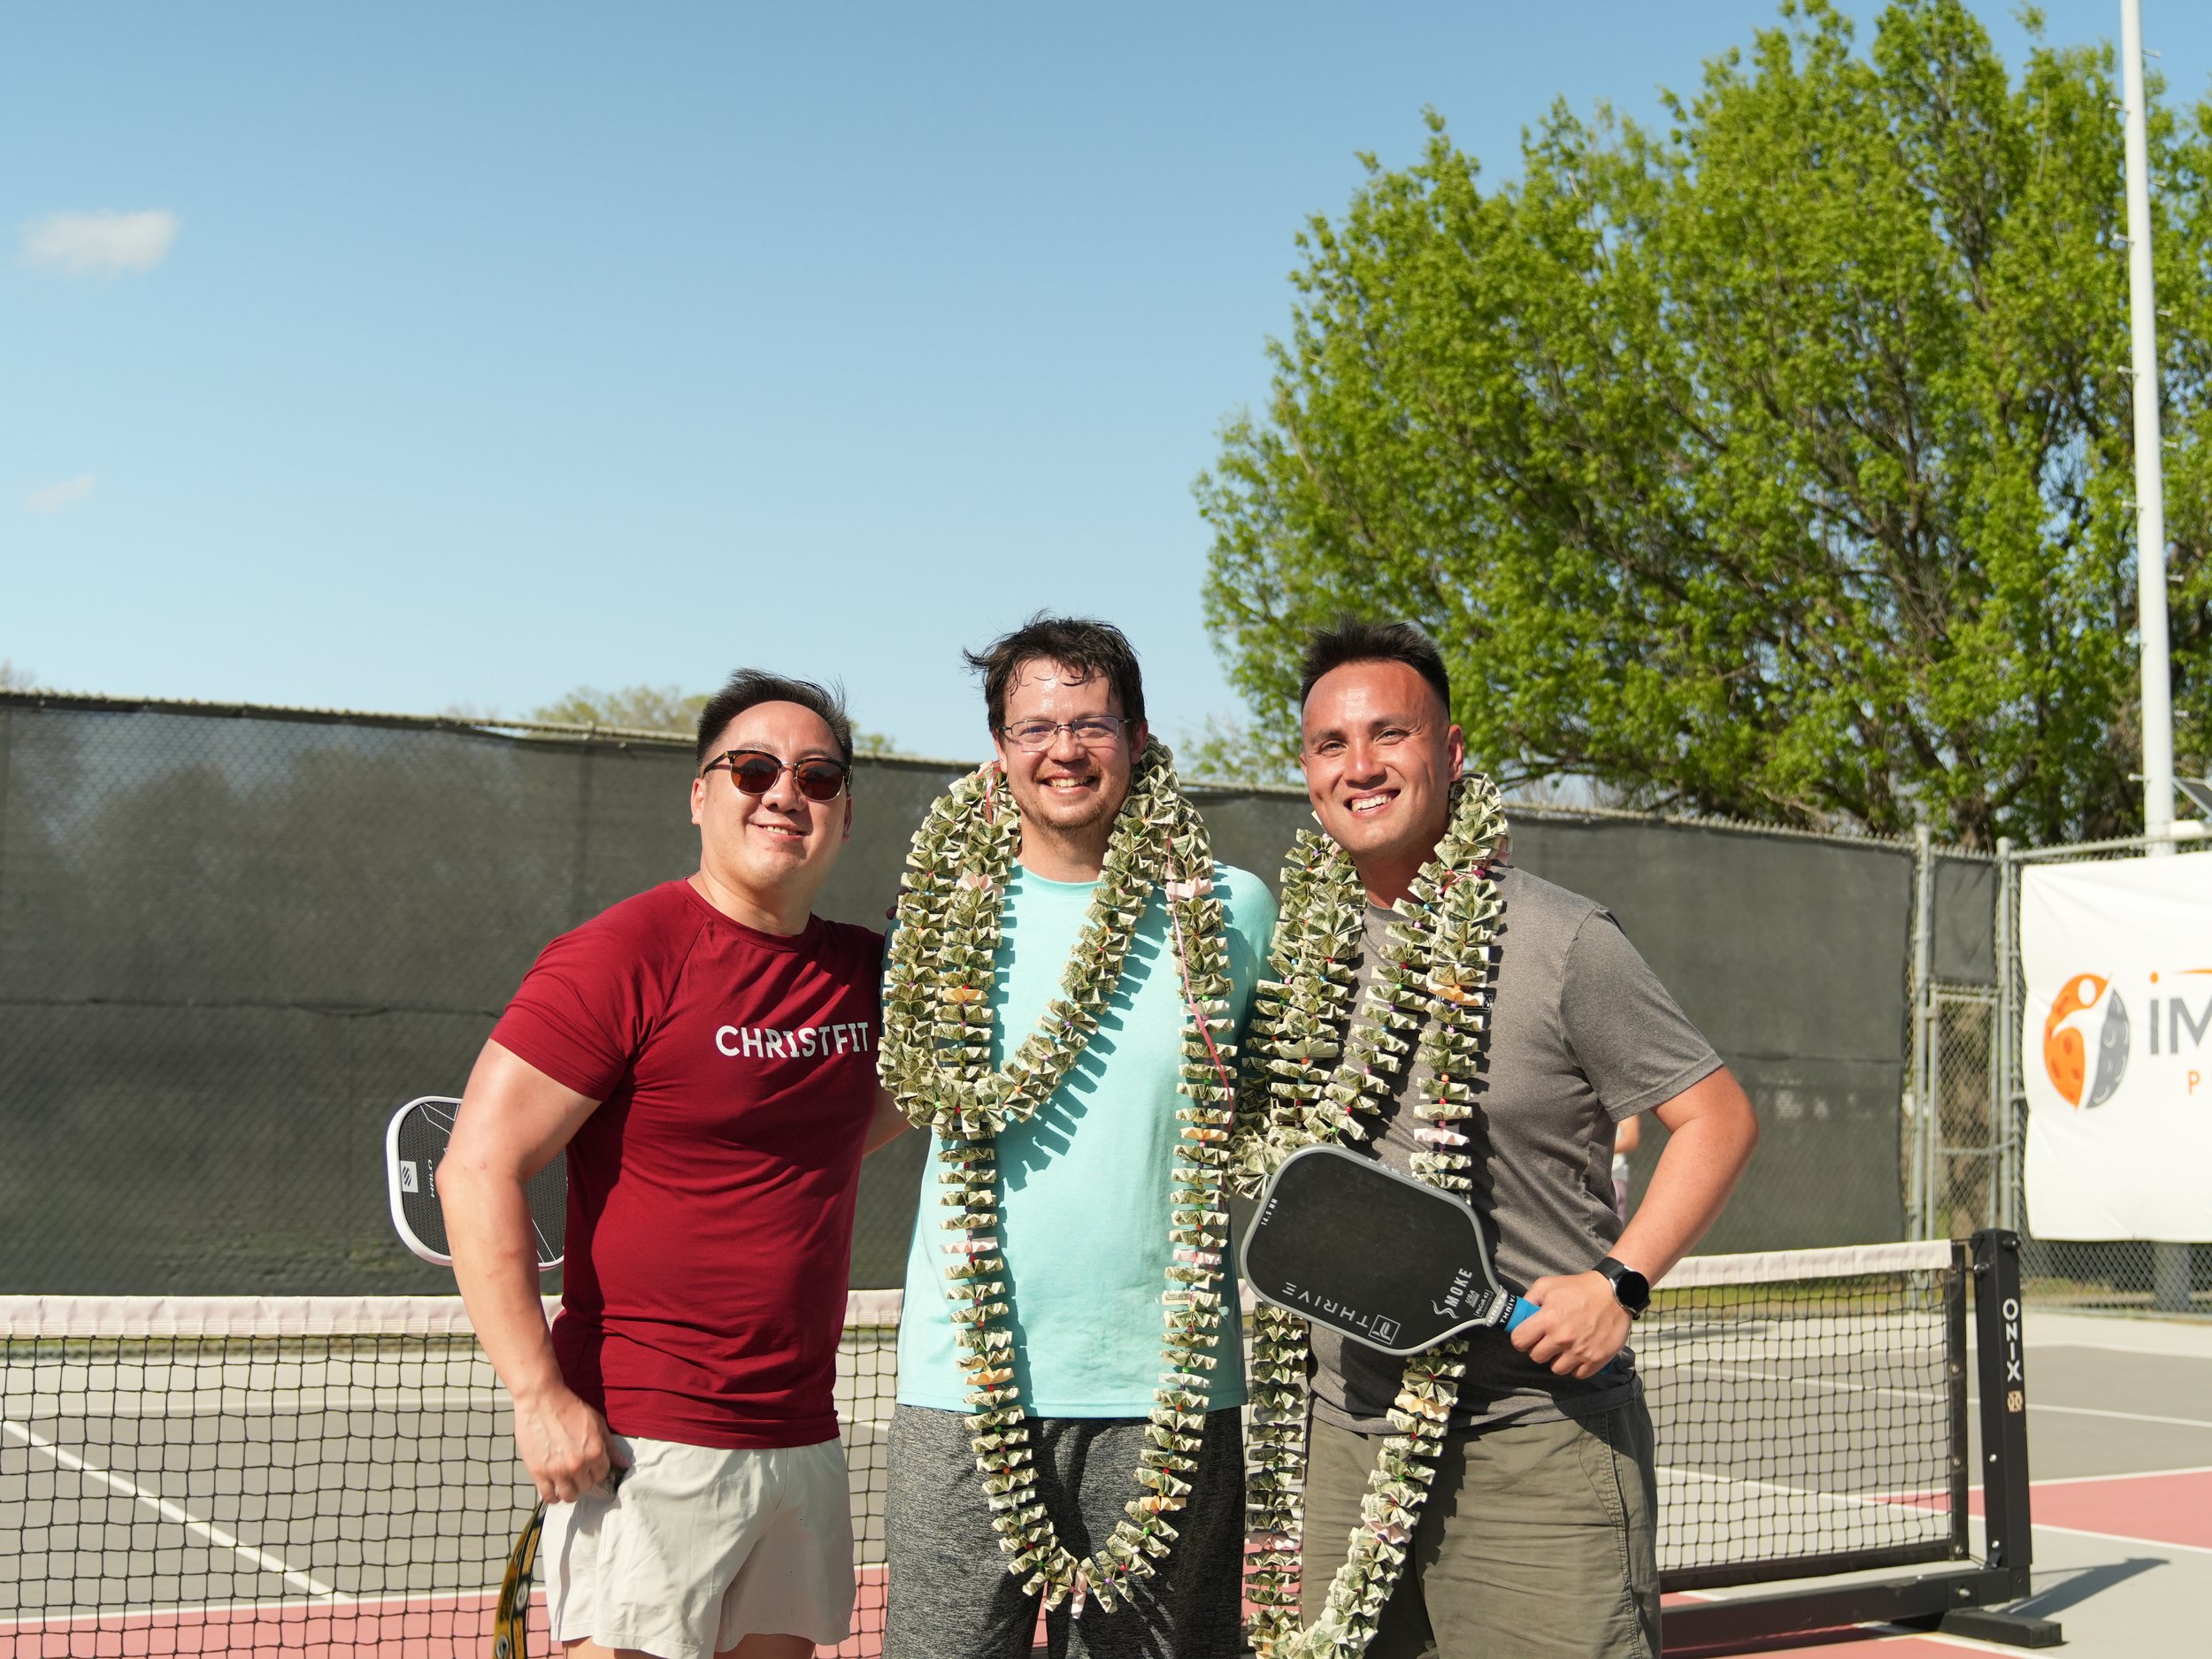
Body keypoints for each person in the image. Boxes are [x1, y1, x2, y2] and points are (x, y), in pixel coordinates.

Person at [1240, 618, 1760, 1659]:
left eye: (1390, 734)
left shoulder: (1564, 939)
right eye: (1329, 745)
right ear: (1306, 770)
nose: (1360, 766)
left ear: (1451, 751)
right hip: (1338, 1442)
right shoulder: (1286, 955)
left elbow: (1718, 1116)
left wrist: (1621, 1283)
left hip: (1537, 1438)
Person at [442, 670, 909, 1659]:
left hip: (801, 1442)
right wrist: (538, 1397)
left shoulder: (870, 976)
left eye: (818, 778)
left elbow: (843, 1131)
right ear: (701, 794)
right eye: (752, 768)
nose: (785, 792)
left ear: (845, 816)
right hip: (645, 1445)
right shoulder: (620, 955)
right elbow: (477, 1166)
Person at [878, 616, 1277, 1659]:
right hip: (962, 1387)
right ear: (1000, 750)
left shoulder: (1231, 912)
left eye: (1092, 722)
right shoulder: (936, 921)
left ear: (1139, 739)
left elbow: (1294, 1115)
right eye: (1035, 727)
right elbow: (876, 1102)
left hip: (1170, 1396)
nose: (1064, 749)